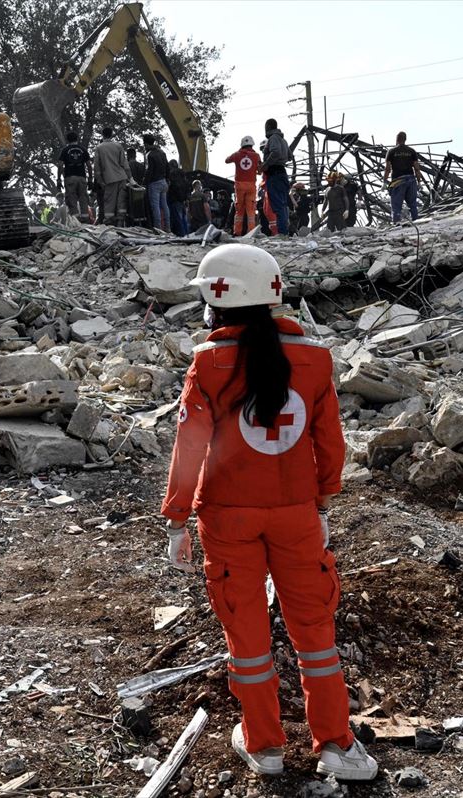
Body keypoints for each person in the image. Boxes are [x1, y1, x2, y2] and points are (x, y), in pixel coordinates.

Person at [161, 243, 378, 782]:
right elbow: (330, 439)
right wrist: (323, 499)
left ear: (216, 301)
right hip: (297, 515)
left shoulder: (208, 363)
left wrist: (177, 519)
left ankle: (265, 746)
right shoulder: (314, 358)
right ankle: (337, 745)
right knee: (315, 633)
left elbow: (190, 445)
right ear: (272, 295)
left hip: (227, 519)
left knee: (248, 637)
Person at [90, 126, 131, 225]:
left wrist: (100, 181)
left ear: (102, 135)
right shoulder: (118, 146)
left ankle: (108, 225)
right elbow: (124, 164)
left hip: (109, 180)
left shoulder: (99, 148)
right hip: (122, 178)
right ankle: (120, 224)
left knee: (109, 205)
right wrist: (130, 178)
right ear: (112, 134)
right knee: (121, 203)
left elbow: (97, 167)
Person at [383, 131, 424, 224]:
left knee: (396, 206)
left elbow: (387, 169)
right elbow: (417, 168)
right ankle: (416, 222)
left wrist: (384, 181)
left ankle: (396, 224)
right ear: (405, 140)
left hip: (398, 181)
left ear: (397, 139)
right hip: (411, 179)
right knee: (413, 204)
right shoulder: (411, 151)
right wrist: (419, 182)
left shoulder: (391, 151)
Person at [225, 135, 260, 236]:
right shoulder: (256, 156)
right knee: (251, 211)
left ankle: (237, 232)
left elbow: (226, 160)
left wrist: (238, 154)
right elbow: (260, 170)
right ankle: (251, 232)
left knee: (239, 210)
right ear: (252, 145)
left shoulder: (237, 155)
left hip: (239, 185)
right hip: (251, 186)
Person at [261, 119, 290, 236]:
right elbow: (290, 156)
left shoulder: (273, 138)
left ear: (268, 126)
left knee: (277, 206)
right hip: (282, 173)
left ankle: (282, 233)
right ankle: (284, 231)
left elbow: (276, 152)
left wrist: (266, 164)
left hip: (275, 174)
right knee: (282, 205)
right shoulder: (284, 140)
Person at [57, 131, 91, 222]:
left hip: (70, 178)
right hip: (82, 177)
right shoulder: (83, 149)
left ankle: (75, 221)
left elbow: (60, 165)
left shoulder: (65, 150)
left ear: (67, 140)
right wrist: (91, 178)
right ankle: (85, 219)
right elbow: (89, 165)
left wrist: (58, 179)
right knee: (83, 198)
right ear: (77, 139)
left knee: (71, 199)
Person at [143, 134, 170, 232]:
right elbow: (167, 166)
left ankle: (158, 228)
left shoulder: (149, 155)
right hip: (164, 182)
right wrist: (167, 179)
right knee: (165, 206)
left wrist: (144, 183)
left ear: (146, 143)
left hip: (154, 183)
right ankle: (168, 227)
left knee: (155, 207)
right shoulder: (162, 152)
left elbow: (149, 171)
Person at [167, 159, 189, 235]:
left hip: (175, 199)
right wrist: (185, 198)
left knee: (178, 219)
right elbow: (186, 186)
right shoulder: (182, 174)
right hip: (182, 200)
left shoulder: (172, 174)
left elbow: (174, 186)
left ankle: (182, 234)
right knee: (183, 219)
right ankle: (186, 234)